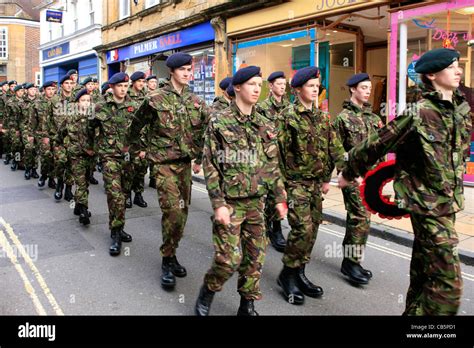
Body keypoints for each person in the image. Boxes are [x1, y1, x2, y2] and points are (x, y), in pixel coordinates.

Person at [338, 48, 470, 315]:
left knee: (424, 274)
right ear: (432, 74)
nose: (459, 70)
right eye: (452, 66)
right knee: (448, 288)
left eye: (459, 65)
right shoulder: (420, 113)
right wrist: (349, 172)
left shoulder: (461, 109)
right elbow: (375, 144)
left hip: (450, 204)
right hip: (427, 206)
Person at [194, 66, 288, 316]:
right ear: (237, 87)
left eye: (260, 84)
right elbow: (211, 165)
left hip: (257, 203)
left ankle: (247, 304)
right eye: (252, 84)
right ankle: (208, 290)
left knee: (255, 258)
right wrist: (218, 204)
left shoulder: (265, 124)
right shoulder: (219, 121)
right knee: (228, 260)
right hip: (231, 202)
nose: (257, 89)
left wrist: (279, 197)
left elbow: (272, 164)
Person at [129, 52, 210, 289]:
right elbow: (136, 125)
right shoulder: (155, 98)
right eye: (183, 69)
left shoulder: (196, 101)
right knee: (173, 211)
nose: (188, 73)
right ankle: (166, 259)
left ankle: (172, 253)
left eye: (190, 69)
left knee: (182, 214)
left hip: (184, 165)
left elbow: (212, 124)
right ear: (172, 71)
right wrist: (138, 150)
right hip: (163, 165)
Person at [276, 66, 345, 305]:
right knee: (301, 229)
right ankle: (287, 275)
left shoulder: (323, 117)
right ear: (297, 89)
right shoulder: (287, 116)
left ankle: (299, 272)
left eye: (317, 86)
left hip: (315, 184)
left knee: (313, 229)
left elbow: (335, 149)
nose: (315, 90)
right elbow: (278, 153)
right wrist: (280, 187)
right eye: (310, 86)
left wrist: (342, 172)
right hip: (295, 183)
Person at [332, 73, 384, 285]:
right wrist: (345, 174)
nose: (368, 91)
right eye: (363, 87)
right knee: (359, 217)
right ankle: (351, 263)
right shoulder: (342, 118)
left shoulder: (373, 118)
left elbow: (380, 147)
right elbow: (336, 150)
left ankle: (353, 260)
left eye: (369, 88)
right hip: (353, 176)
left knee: (363, 219)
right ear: (353, 89)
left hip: (371, 177)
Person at [88, 72, 136, 256]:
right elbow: (89, 128)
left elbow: (142, 128)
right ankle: (115, 233)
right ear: (113, 87)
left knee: (124, 194)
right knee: (115, 195)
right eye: (120, 86)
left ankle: (120, 225)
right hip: (109, 157)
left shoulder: (134, 105)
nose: (123, 89)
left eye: (126, 86)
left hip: (128, 157)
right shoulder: (100, 106)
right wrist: (93, 149)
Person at [257, 71, 290, 253]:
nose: (282, 87)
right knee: (269, 194)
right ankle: (270, 227)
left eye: (284, 84)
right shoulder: (262, 108)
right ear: (270, 86)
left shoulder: (289, 108)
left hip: (284, 159)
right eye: (279, 84)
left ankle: (275, 227)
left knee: (280, 194)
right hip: (268, 158)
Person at [61, 89, 95, 225]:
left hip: (91, 155)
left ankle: (78, 205)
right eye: (83, 100)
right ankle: (84, 211)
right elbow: (62, 132)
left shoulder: (94, 117)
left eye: (88, 100)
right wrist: (65, 146)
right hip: (76, 154)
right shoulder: (70, 117)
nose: (86, 103)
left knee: (85, 182)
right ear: (77, 102)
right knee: (80, 182)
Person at [49, 74, 75, 201]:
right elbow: (47, 120)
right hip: (58, 138)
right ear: (62, 85)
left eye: (71, 83)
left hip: (74, 138)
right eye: (67, 83)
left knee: (71, 164)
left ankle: (69, 189)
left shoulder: (77, 99)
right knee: (60, 162)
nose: (69, 85)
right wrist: (47, 136)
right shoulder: (54, 100)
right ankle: (59, 184)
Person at [28, 81, 57, 189]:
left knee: (54, 158)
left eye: (53, 89)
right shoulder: (37, 103)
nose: (51, 91)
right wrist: (30, 134)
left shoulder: (59, 102)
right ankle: (43, 175)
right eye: (49, 89)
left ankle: (51, 179)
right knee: (45, 157)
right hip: (41, 134)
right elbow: (32, 120)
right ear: (44, 90)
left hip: (55, 134)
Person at [127, 71, 148, 208]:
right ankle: (127, 195)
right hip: (129, 140)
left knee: (141, 169)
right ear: (133, 82)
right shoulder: (126, 96)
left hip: (144, 140)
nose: (142, 84)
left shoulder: (146, 97)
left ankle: (138, 195)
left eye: (143, 81)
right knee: (129, 169)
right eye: (139, 81)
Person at [22, 83, 40, 180]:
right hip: (25, 128)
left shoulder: (40, 101)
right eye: (31, 89)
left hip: (37, 129)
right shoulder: (22, 102)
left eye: (35, 89)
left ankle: (34, 169)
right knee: (29, 148)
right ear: (27, 90)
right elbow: (18, 118)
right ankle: (27, 168)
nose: (33, 91)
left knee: (36, 150)